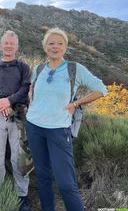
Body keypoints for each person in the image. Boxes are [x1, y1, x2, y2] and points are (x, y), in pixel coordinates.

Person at [26, 28, 108, 211]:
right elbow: (33, 91)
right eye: (51, 43)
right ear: (45, 47)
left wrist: (77, 103)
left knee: (66, 183)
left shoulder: (74, 69)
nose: (55, 46)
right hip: (34, 126)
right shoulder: (38, 68)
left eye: (60, 43)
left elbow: (102, 89)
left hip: (58, 131)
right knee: (42, 176)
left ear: (65, 47)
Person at [0, 30, 32, 211]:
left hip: (18, 118)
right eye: (6, 43)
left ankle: (22, 196)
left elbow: (24, 88)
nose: (9, 46)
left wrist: (9, 101)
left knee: (19, 159)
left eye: (12, 43)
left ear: (17, 46)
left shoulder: (23, 67)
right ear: (1, 45)